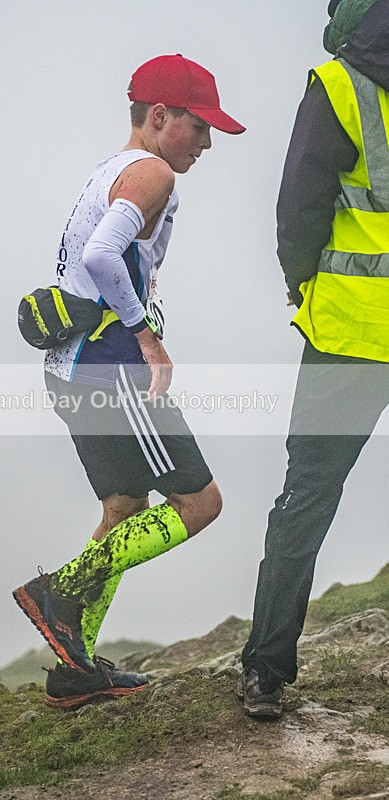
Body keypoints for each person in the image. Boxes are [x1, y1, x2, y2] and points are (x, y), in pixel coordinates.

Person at [14, 54, 246, 711]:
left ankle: (73, 669)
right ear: (158, 116)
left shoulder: (110, 170)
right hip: (110, 369)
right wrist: (148, 338)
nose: (205, 142)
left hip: (70, 370)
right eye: (197, 127)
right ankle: (59, 593)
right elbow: (98, 256)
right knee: (199, 503)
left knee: (123, 510)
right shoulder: (150, 174)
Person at [237, 0, 389, 718]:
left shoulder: (335, 85)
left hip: (347, 335)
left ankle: (265, 672)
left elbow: (299, 204)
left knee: (305, 501)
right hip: (348, 333)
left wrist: (304, 283)